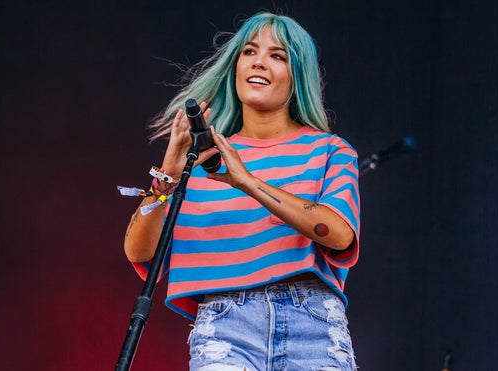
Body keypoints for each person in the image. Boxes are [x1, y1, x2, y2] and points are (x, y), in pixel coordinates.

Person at [123, 12, 360, 371]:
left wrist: (247, 181)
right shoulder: (201, 163)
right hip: (225, 327)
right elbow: (139, 251)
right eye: (249, 51)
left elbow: (340, 234)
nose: (259, 62)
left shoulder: (330, 151)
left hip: (312, 323)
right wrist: (169, 172)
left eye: (278, 55)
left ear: (298, 76)